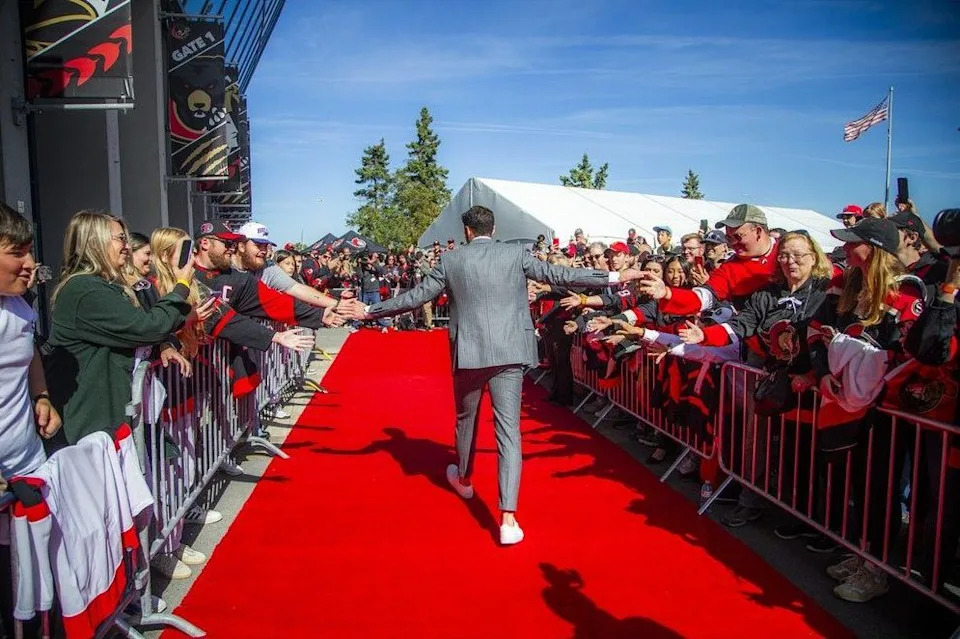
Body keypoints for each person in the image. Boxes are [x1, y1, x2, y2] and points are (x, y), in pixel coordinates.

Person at [343, 205, 642, 546]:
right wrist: (616, 278)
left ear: (466, 230)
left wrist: (370, 310)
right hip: (511, 352)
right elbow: (558, 275)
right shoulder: (516, 254)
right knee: (509, 431)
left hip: (469, 353)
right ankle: (509, 519)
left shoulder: (451, 260)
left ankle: (465, 479)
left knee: (466, 419)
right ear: (493, 228)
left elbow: (416, 297)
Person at [45, 211, 198, 446]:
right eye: (120, 239)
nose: (127, 246)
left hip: (106, 420)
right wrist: (181, 286)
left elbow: (134, 333)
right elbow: (147, 327)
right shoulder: (85, 290)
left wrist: (163, 345)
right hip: (90, 427)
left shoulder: (102, 286)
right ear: (94, 243)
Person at [0, 203, 61, 479]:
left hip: (28, 463)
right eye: (17, 254)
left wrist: (42, 397)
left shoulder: (18, 304)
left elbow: (29, 349)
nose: (30, 263)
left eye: (29, 252)